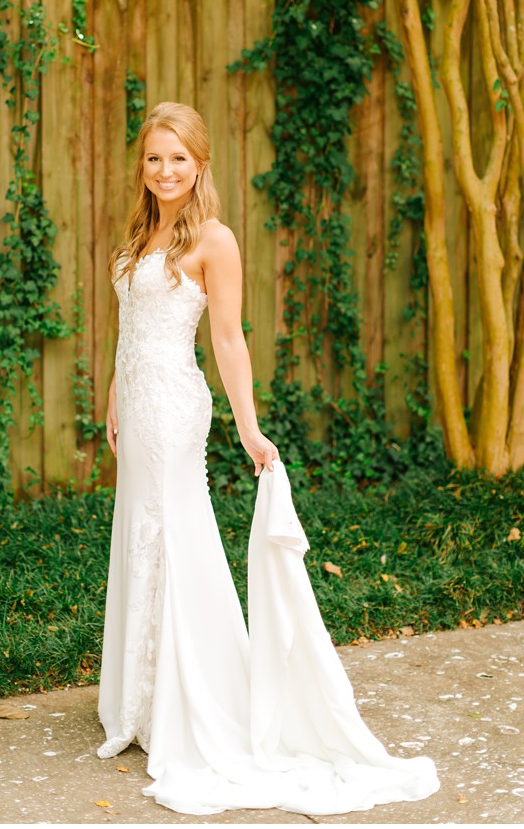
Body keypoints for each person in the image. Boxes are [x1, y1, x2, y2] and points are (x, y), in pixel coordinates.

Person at [96, 101, 438, 815]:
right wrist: (111, 399)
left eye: (178, 159)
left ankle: (194, 699)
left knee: (175, 537)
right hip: (137, 404)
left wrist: (249, 429)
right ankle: (143, 694)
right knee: (141, 538)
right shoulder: (140, 229)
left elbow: (227, 340)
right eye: (154, 158)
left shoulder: (213, 240)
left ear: (201, 163)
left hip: (174, 411)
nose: (165, 171)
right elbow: (128, 326)